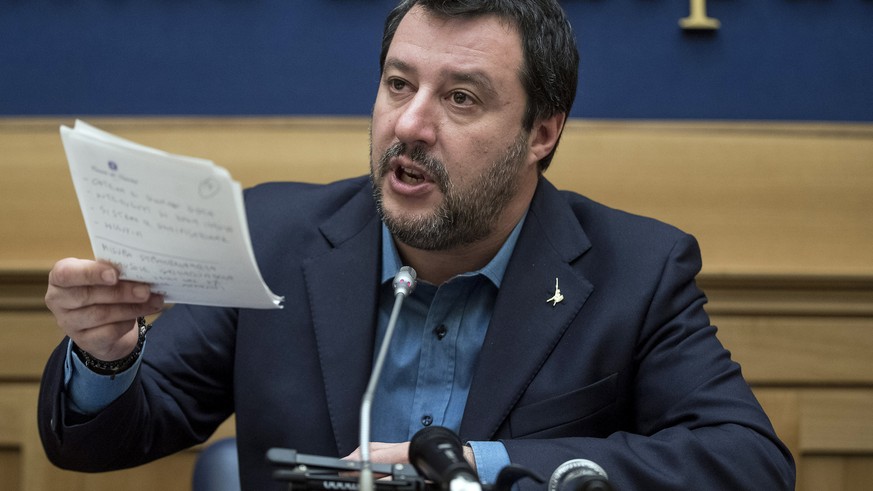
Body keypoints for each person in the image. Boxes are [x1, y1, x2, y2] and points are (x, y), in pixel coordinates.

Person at [38, 1, 795, 490]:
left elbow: (747, 463)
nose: (410, 125)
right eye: (399, 86)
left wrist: (481, 468)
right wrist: (105, 355)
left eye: (460, 98)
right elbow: (106, 439)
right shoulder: (275, 238)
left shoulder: (636, 269)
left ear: (542, 131)